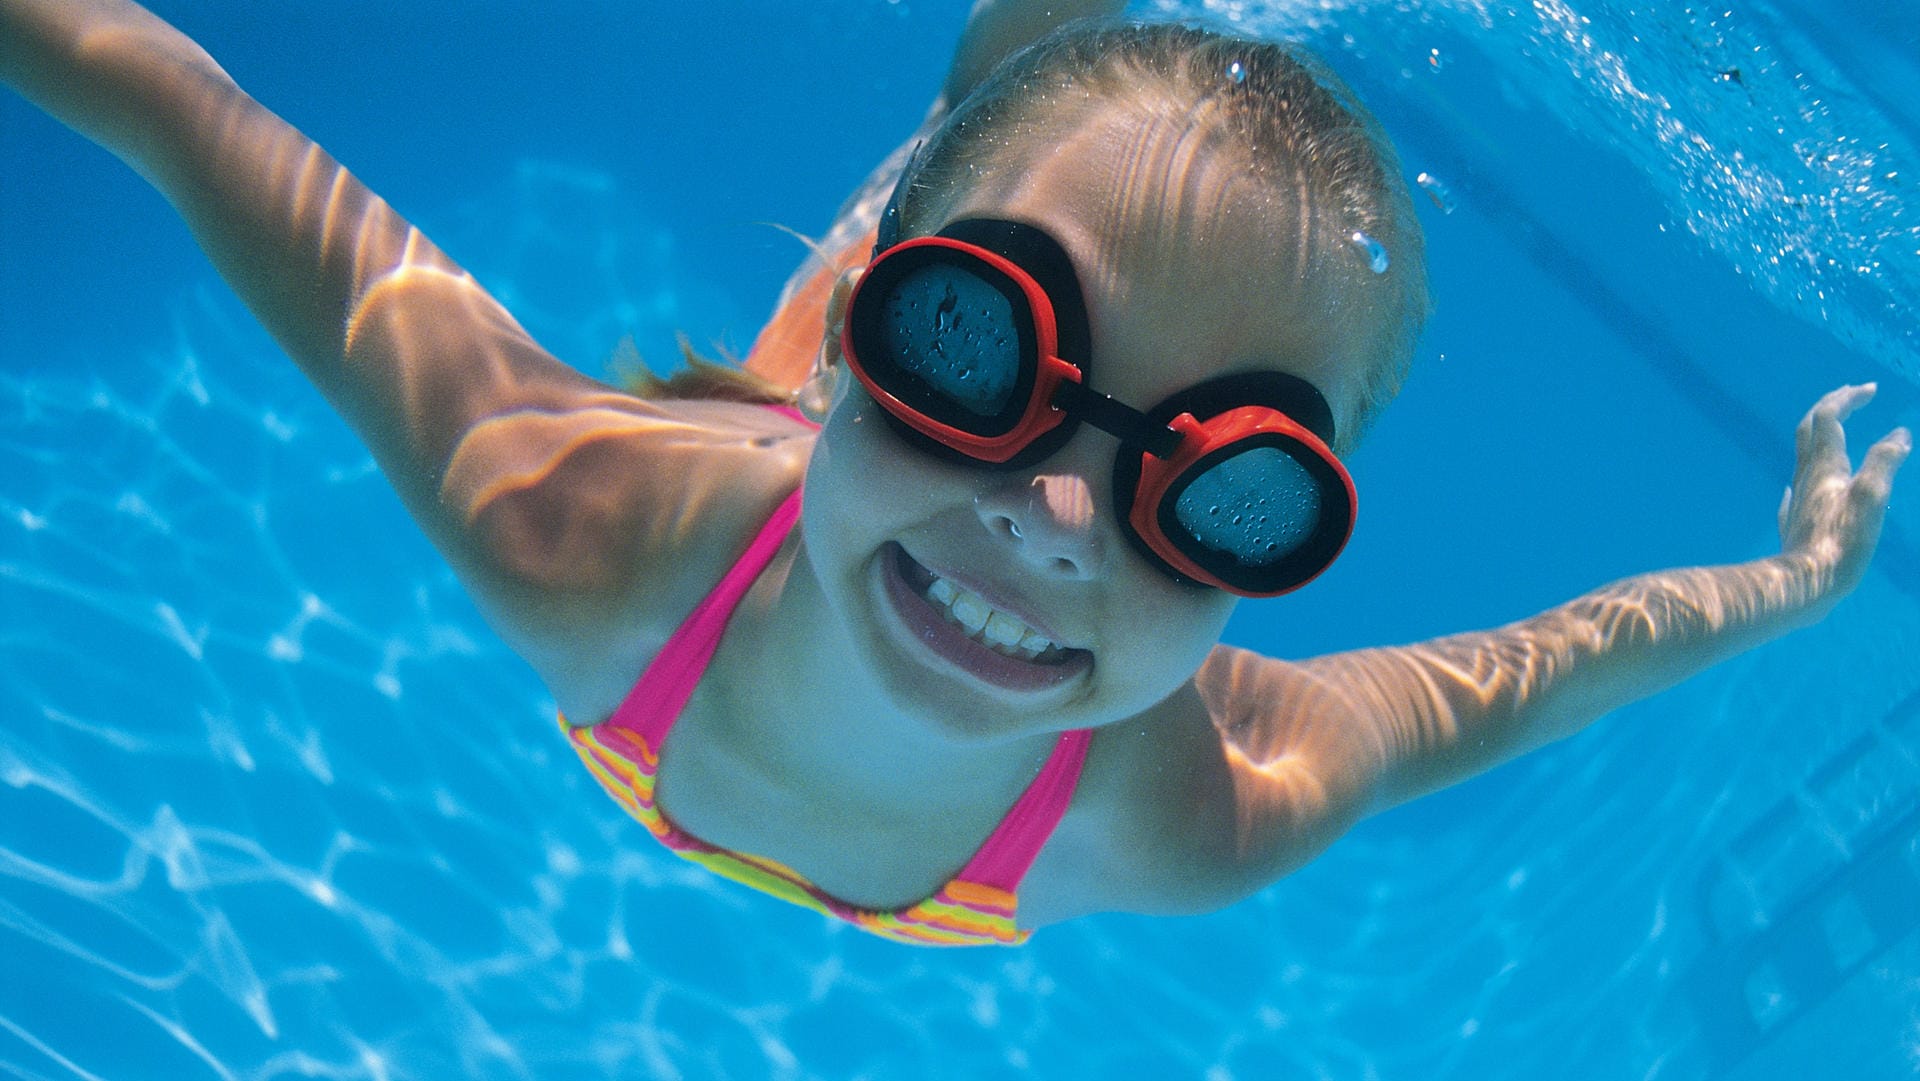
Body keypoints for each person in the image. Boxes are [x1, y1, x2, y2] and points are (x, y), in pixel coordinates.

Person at [2, 0, 1907, 947]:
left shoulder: (1196, 810)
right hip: (745, 508)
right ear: (876, 351)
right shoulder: (583, 530)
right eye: (972, 360)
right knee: (877, 270)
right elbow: (200, 124)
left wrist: (1804, 580)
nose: (1063, 516)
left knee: (939, 280)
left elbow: (1538, 671)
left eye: (1220, 487)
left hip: (810, 523)